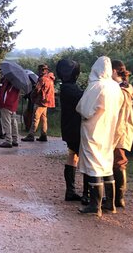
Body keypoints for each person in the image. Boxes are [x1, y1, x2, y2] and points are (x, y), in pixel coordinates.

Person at [76, 56, 123, 217]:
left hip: (94, 129)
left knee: (93, 164)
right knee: (106, 163)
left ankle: (95, 205)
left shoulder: (96, 86)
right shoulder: (115, 87)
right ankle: (110, 202)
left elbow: (84, 108)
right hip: (110, 128)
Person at [56, 59, 86, 202]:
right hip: (75, 127)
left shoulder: (66, 87)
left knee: (73, 156)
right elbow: (84, 99)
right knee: (85, 159)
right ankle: (87, 193)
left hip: (69, 127)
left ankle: (71, 191)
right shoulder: (71, 89)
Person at [111, 59, 133, 209]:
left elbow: (120, 115)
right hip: (121, 128)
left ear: (114, 71)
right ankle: (116, 197)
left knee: (119, 161)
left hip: (119, 129)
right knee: (118, 161)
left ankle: (119, 198)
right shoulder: (125, 88)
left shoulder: (121, 90)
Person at [22, 64, 55, 142]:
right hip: (47, 101)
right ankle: (43, 135)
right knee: (44, 118)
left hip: (41, 101)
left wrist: (31, 96)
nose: (40, 71)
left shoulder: (42, 79)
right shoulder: (50, 79)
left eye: (41, 70)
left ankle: (31, 135)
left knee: (35, 118)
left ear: (44, 70)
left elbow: (37, 90)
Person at [0, 78, 20, 148]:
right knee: (14, 122)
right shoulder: (18, 83)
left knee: (6, 122)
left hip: (6, 103)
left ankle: (8, 140)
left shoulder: (7, 81)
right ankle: (15, 140)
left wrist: (0, 102)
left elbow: (3, 92)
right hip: (13, 104)